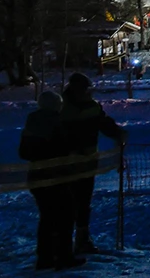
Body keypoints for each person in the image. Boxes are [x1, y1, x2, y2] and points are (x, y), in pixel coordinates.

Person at [60, 72, 126, 254]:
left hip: (86, 163)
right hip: (66, 164)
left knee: (82, 203)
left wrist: (117, 133)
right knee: (67, 204)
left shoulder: (89, 107)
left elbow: (104, 124)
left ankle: (81, 239)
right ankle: (63, 244)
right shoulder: (62, 108)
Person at [21, 91, 85, 271]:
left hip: (36, 177)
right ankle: (64, 256)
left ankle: (45, 258)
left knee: (47, 218)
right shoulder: (57, 122)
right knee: (65, 216)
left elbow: (24, 152)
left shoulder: (31, 122)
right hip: (57, 177)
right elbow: (66, 147)